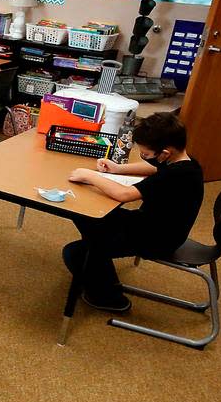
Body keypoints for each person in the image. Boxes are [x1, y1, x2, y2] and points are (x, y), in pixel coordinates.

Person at [64, 112, 204, 313]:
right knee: (86, 216)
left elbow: (124, 194)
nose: (145, 158)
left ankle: (112, 298)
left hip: (157, 239)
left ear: (165, 153)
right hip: (151, 224)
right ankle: (98, 257)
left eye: (146, 154)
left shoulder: (176, 175)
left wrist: (90, 176)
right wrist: (118, 169)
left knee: (75, 252)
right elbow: (153, 168)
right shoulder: (185, 163)